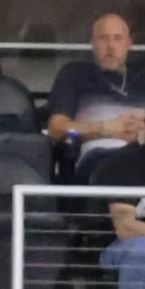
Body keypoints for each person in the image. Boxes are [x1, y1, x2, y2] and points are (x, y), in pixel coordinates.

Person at [45, 14, 144, 172]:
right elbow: (57, 129)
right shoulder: (74, 74)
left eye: (118, 38)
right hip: (99, 160)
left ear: (129, 44)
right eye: (103, 38)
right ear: (93, 43)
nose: (111, 46)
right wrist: (104, 129)